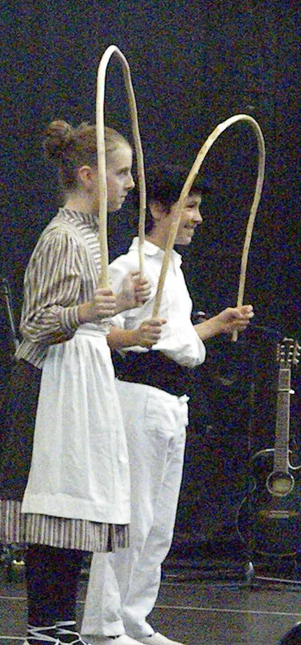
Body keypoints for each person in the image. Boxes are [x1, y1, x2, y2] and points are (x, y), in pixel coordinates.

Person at [0, 120, 148, 645]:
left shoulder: (90, 235)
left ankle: (59, 625)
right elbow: (35, 323)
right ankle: (46, 626)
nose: (129, 184)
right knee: (57, 502)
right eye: (121, 173)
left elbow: (82, 313)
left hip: (82, 374)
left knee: (76, 505)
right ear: (88, 176)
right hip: (56, 381)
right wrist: (87, 311)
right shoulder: (63, 237)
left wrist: (118, 305)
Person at [80, 166, 253, 645]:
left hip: (170, 402)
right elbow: (92, 332)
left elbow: (171, 339)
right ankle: (103, 626)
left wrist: (215, 325)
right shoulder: (129, 267)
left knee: (158, 523)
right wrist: (132, 335)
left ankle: (133, 619)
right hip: (137, 398)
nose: (197, 218)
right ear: (158, 209)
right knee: (130, 516)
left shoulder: (171, 269)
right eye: (189, 208)